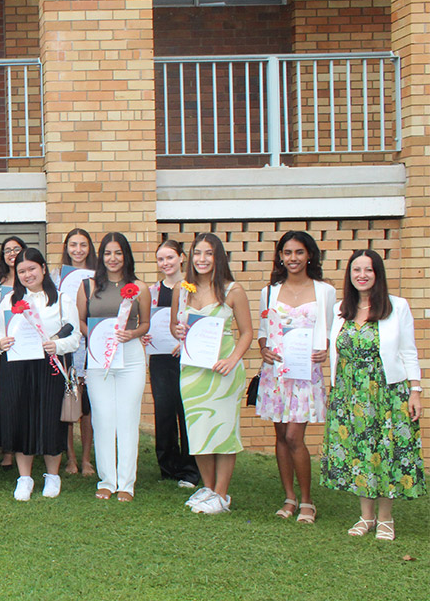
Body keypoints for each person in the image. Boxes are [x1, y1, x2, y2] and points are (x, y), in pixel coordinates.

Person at [323, 250, 424, 541]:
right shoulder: (341, 308)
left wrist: (415, 391)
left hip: (387, 392)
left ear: (378, 274)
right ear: (350, 275)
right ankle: (365, 517)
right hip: (350, 393)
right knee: (359, 453)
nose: (362, 275)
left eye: (368, 270)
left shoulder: (397, 306)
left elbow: (408, 351)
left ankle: (385, 519)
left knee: (386, 452)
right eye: (356, 270)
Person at [257, 231, 336, 524]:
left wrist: (325, 350)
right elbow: (263, 331)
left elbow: (330, 332)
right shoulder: (269, 291)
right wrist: (263, 349)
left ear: (310, 255)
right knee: (279, 436)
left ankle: (307, 500)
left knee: (294, 436)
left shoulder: (324, 290)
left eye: (299, 252)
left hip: (306, 373)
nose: (293, 258)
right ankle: (289, 497)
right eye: (287, 252)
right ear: (280, 256)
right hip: (276, 372)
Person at [172, 233, 253, 514]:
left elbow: (247, 332)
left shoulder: (233, 291)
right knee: (199, 431)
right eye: (197, 253)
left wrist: (233, 359)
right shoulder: (183, 290)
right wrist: (178, 332)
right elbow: (175, 328)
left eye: (208, 253)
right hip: (193, 372)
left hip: (223, 371)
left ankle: (222, 494)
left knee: (223, 431)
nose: (202, 259)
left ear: (218, 257)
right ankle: (207, 489)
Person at [0, 247, 81, 500]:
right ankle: (24, 477)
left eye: (32, 268)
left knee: (51, 419)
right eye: (21, 271)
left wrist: (58, 346)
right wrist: (1, 343)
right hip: (17, 367)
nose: (27, 274)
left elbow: (74, 336)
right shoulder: (9, 301)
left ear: (43, 268)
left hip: (49, 367)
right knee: (21, 419)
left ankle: (53, 476)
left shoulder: (62, 299)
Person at [77, 232, 151, 501]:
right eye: (107, 253)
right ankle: (107, 480)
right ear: (101, 256)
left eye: (118, 253)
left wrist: (132, 334)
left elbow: (145, 324)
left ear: (126, 256)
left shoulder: (139, 287)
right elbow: (82, 322)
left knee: (127, 418)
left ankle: (126, 484)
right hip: (99, 358)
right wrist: (96, 337)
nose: (112, 258)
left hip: (130, 356)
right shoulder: (88, 286)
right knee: (103, 417)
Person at [148, 239, 200, 489]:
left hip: (188, 356)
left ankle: (191, 469)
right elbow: (142, 321)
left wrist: (189, 342)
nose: (165, 263)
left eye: (170, 257)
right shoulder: (152, 291)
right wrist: (143, 334)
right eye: (160, 259)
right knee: (165, 411)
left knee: (187, 411)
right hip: (160, 357)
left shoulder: (193, 288)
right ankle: (168, 467)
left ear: (181, 258)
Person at [59, 227, 97, 476]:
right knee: (68, 402)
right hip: (67, 345)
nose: (78, 250)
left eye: (83, 245)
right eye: (73, 245)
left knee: (87, 406)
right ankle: (70, 459)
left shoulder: (98, 276)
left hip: (92, 344)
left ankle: (86, 460)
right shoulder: (56, 276)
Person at [0, 235, 26, 470]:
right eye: (7, 250)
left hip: (26, 347)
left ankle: (23, 444)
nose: (12, 253)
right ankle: (7, 449)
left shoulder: (30, 278)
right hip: (0, 343)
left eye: (16, 249)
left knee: (22, 397)